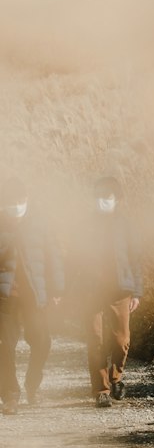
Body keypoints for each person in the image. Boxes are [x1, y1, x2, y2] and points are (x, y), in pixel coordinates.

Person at [0, 176, 64, 414]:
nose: (16, 205)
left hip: (34, 296)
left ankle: (32, 386)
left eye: (20, 200)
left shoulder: (40, 224)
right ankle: (9, 395)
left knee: (42, 341)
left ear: (27, 200)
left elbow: (53, 256)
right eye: (10, 201)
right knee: (5, 346)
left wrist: (57, 289)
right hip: (5, 298)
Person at [81, 176, 143, 409]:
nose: (103, 202)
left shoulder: (126, 226)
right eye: (99, 197)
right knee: (95, 339)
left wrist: (137, 292)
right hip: (91, 292)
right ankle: (101, 390)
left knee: (121, 340)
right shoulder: (85, 225)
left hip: (120, 289)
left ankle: (116, 377)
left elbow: (136, 261)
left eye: (107, 197)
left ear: (118, 199)